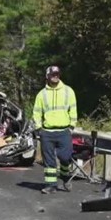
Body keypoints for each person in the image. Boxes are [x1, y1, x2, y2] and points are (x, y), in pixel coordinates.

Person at [32, 65, 78, 193]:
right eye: (53, 74)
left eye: (57, 74)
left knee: (65, 157)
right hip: (47, 132)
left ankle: (65, 175)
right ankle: (51, 185)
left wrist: (72, 126)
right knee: (49, 161)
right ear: (47, 76)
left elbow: (73, 109)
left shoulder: (68, 91)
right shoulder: (42, 94)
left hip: (64, 131)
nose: (55, 76)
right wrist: (39, 127)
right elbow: (36, 112)